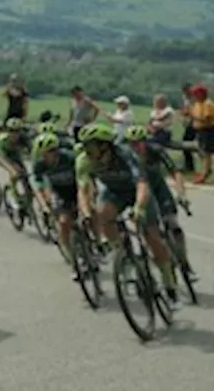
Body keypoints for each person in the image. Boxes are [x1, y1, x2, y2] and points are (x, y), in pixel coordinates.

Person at [74, 122, 180, 309]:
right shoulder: (84, 160)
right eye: (84, 145)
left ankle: (169, 282)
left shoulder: (126, 155)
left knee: (153, 237)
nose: (86, 150)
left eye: (90, 145)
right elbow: (83, 190)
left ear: (104, 145)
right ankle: (123, 254)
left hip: (138, 192)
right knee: (102, 213)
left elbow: (142, 184)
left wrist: (139, 208)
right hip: (114, 192)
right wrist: (86, 212)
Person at [123, 124, 194, 282]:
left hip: (158, 188)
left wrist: (182, 195)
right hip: (140, 192)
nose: (136, 147)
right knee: (148, 231)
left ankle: (184, 261)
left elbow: (175, 172)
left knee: (173, 225)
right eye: (131, 143)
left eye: (139, 142)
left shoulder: (156, 150)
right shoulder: (126, 156)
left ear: (145, 141)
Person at [30, 132, 80, 274]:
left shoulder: (70, 158)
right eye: (41, 154)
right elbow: (38, 189)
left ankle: (95, 243)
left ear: (55, 151)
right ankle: (73, 260)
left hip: (77, 188)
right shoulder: (39, 165)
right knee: (63, 223)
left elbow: (85, 176)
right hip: (60, 192)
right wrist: (44, 207)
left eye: (47, 154)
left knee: (91, 211)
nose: (44, 158)